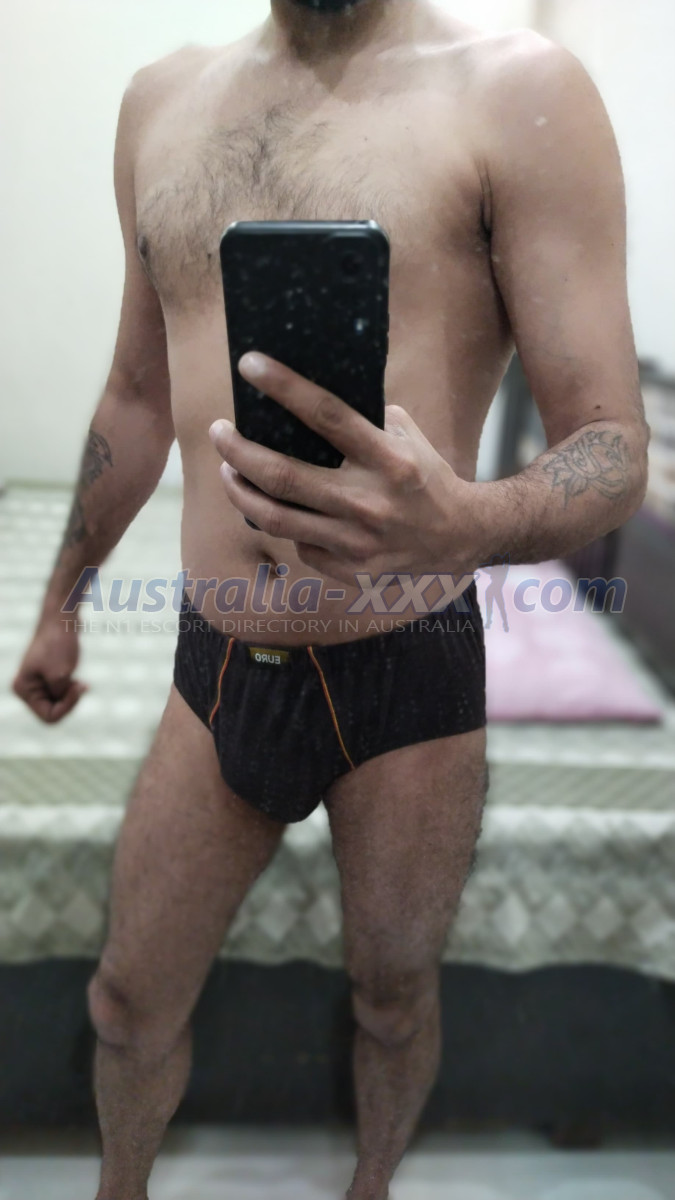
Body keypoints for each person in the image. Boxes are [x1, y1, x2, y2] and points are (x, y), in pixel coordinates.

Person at [12, 1, 648, 1197]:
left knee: (394, 1002)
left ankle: (371, 1186)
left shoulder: (519, 91)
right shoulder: (160, 103)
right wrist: (61, 604)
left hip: (410, 658)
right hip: (220, 656)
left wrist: (467, 522)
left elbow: (613, 448)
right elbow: (137, 399)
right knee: (125, 1002)